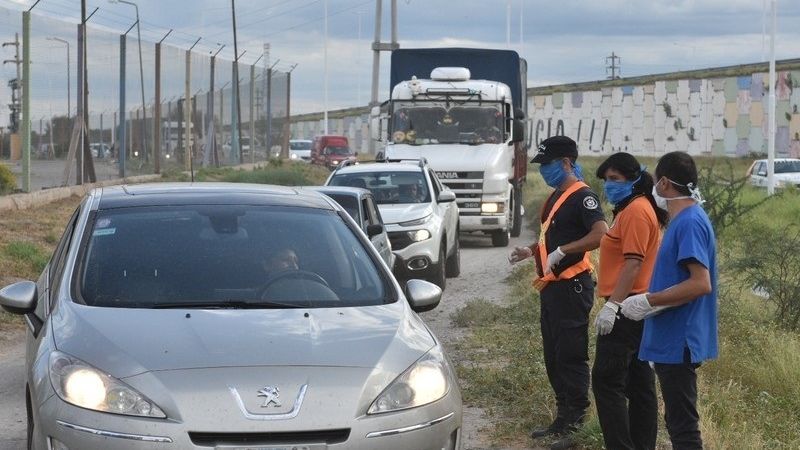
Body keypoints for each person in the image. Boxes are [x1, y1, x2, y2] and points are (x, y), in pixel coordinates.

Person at [509, 135, 608, 449]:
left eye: (549, 164)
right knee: (553, 355)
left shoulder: (583, 197)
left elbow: (600, 234)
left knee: (571, 355)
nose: (544, 171)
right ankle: (562, 417)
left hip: (572, 287)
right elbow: (549, 240)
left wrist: (565, 250)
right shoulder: (555, 197)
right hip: (552, 289)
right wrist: (531, 251)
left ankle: (576, 423)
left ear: (566, 163)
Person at [620, 151, 718, 450]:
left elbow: (700, 283)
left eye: (655, 180)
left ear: (664, 183)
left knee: (683, 428)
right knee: (677, 422)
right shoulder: (682, 220)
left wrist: (648, 301)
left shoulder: (689, 222)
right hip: (670, 339)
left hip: (680, 339)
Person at [592, 152, 669, 450]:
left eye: (615, 179)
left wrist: (612, 305)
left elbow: (633, 263)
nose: (609, 185)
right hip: (636, 306)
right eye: (606, 180)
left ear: (633, 179)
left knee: (606, 381)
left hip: (627, 306)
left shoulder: (636, 210)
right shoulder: (633, 208)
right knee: (639, 384)